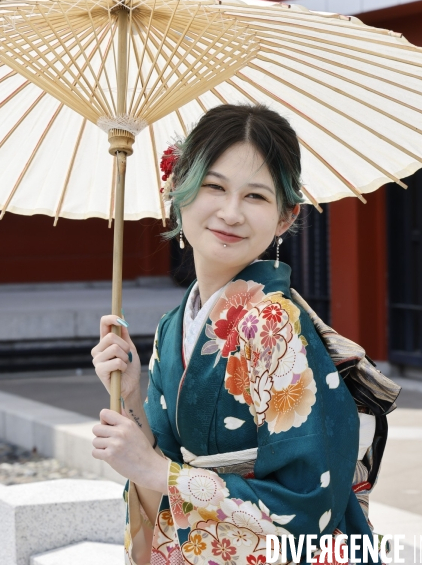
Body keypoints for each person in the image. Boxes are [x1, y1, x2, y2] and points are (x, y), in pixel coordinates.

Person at [91, 104, 382, 565]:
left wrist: (158, 472)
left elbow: (304, 505)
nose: (230, 212)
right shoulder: (174, 324)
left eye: (256, 197)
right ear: (177, 191)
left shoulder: (271, 324)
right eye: (213, 186)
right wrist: (129, 395)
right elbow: (156, 463)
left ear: (285, 218)